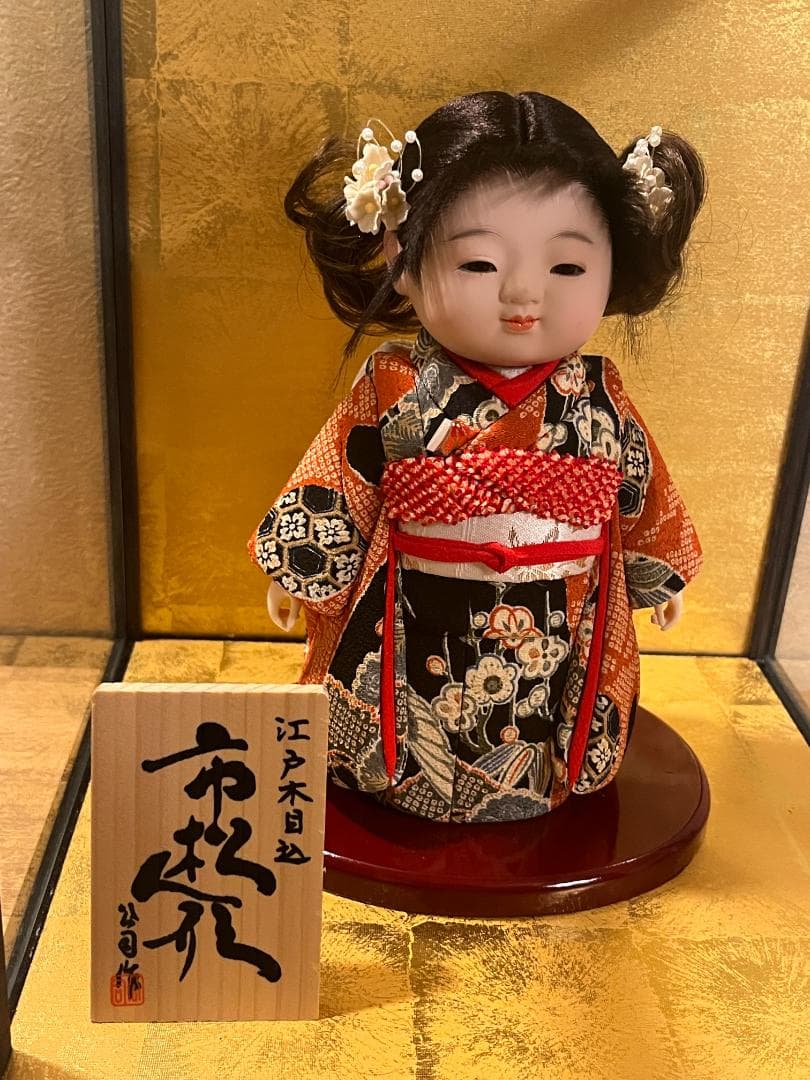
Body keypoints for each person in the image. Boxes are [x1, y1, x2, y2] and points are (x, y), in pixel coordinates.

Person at [247, 91, 705, 824]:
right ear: (401, 257)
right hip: (417, 610)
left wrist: (655, 576)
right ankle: (406, 782)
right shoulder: (394, 387)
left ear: (612, 268)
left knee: (548, 719)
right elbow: (341, 482)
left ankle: (537, 782)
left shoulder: (599, 396)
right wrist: (300, 571)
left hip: (560, 615)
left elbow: (638, 496)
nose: (523, 293)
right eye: (481, 261)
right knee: (414, 713)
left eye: (567, 267)